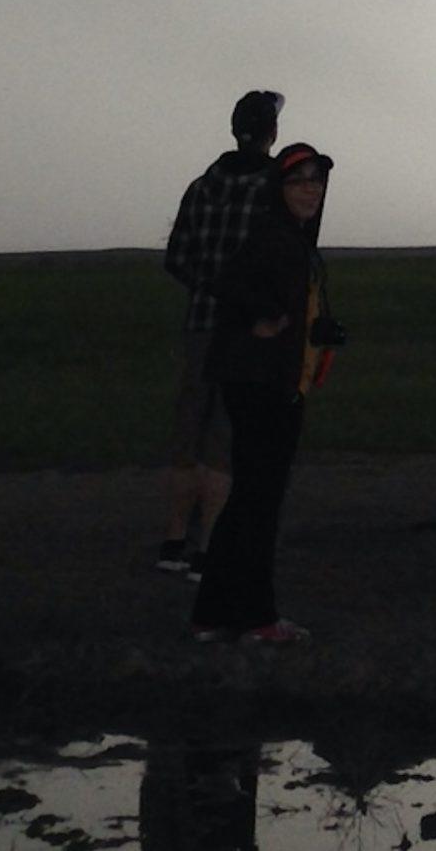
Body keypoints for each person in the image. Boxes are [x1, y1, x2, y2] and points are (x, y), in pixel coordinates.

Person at [190, 143, 342, 642]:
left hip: (272, 379)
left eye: (317, 182)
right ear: (280, 189)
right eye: (301, 182)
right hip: (263, 383)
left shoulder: (289, 238)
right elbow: (225, 282)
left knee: (250, 500)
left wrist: (314, 331)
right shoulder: (273, 235)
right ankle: (258, 617)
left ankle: (213, 614)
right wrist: (260, 317)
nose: (312, 191)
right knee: (260, 501)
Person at [156, 88, 282, 578]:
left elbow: (176, 258)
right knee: (225, 439)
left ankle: (172, 543)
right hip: (247, 333)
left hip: (199, 327)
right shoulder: (273, 188)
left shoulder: (200, 187)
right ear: (271, 133)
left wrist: (208, 289)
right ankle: (209, 550)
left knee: (189, 430)